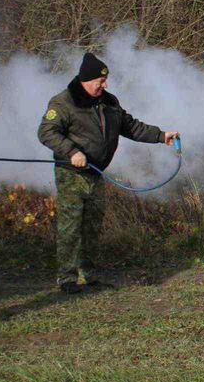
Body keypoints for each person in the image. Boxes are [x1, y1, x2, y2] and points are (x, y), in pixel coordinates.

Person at [37, 52, 178, 294]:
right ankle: (67, 279)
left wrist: (160, 136)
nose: (105, 85)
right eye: (100, 81)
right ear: (85, 79)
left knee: (92, 227)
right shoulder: (63, 103)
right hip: (71, 174)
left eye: (106, 80)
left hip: (96, 174)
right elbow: (46, 132)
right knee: (70, 228)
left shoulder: (109, 102)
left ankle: (90, 276)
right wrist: (71, 152)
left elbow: (130, 126)